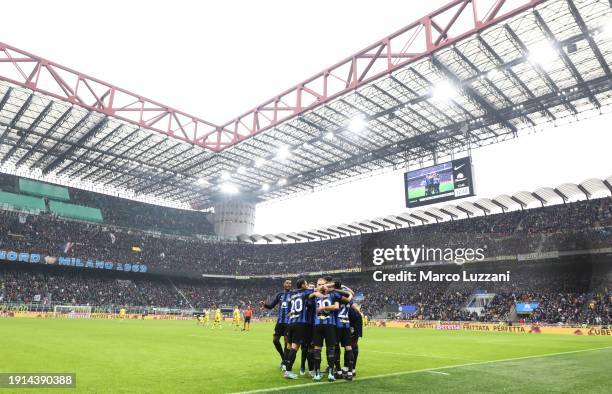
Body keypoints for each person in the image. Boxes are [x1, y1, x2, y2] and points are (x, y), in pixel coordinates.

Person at [283, 278, 315, 379]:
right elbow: (316, 291)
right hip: (300, 324)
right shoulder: (305, 293)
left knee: (290, 346)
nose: (307, 285)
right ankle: (288, 371)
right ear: (302, 285)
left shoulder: (292, 294)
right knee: (295, 347)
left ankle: (287, 368)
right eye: (306, 283)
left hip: (291, 322)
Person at [262, 279, 292, 370]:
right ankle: (283, 358)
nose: (288, 284)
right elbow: (271, 306)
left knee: (287, 342)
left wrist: (292, 312)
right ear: (284, 284)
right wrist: (265, 305)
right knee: (275, 340)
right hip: (280, 321)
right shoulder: (279, 295)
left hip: (288, 322)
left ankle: (285, 362)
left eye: (290, 283)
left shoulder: (293, 294)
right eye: (287, 283)